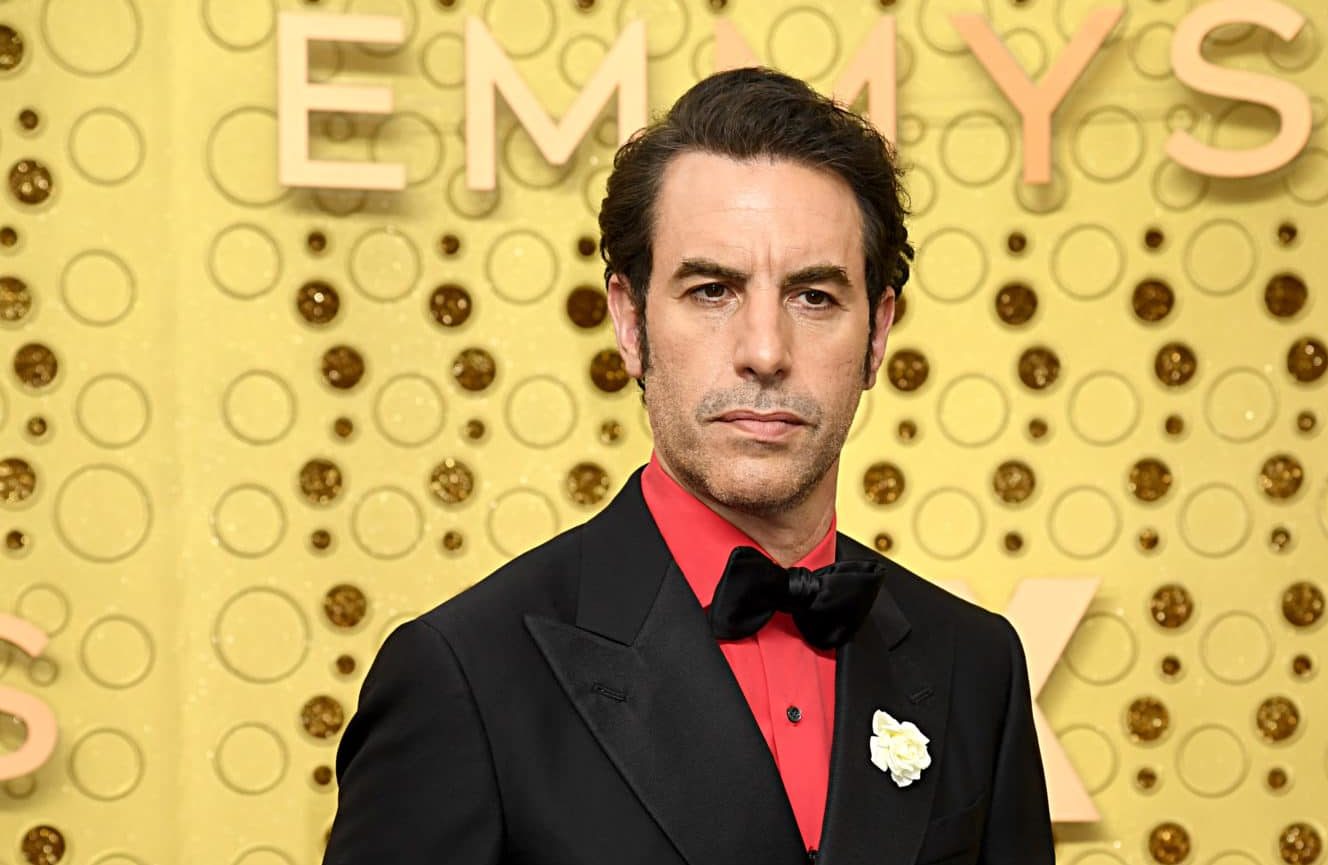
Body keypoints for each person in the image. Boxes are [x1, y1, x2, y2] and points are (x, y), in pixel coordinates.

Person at [322, 67, 1054, 865]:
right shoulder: (463, 677)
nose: (765, 351)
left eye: (814, 296)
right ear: (629, 323)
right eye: (712, 291)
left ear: (878, 334)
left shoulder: (976, 666)